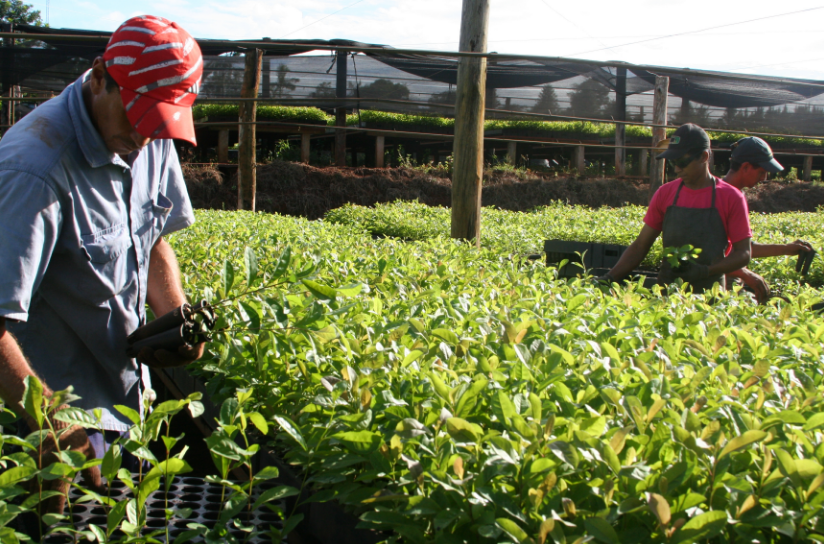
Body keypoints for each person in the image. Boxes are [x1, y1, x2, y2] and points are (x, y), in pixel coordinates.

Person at [0, 15, 204, 511]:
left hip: (121, 403)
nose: (145, 137)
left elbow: (151, 235)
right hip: (36, 418)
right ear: (99, 78)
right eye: (138, 117)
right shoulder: (35, 170)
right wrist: (49, 422)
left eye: (161, 124)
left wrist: (173, 317)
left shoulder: (147, 136)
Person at [600, 123, 752, 292]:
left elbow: (743, 254)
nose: (677, 169)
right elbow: (640, 246)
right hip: (667, 292)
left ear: (703, 156)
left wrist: (706, 271)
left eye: (682, 162)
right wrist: (609, 278)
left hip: (709, 299)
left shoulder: (731, 197)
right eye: (673, 162)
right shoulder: (666, 193)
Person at [722, 136, 814, 302]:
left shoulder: (737, 195)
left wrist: (787, 248)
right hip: (716, 281)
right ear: (746, 167)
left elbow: (743, 249)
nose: (763, 178)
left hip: (731, 277)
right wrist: (744, 273)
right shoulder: (718, 196)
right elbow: (707, 254)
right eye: (761, 172)